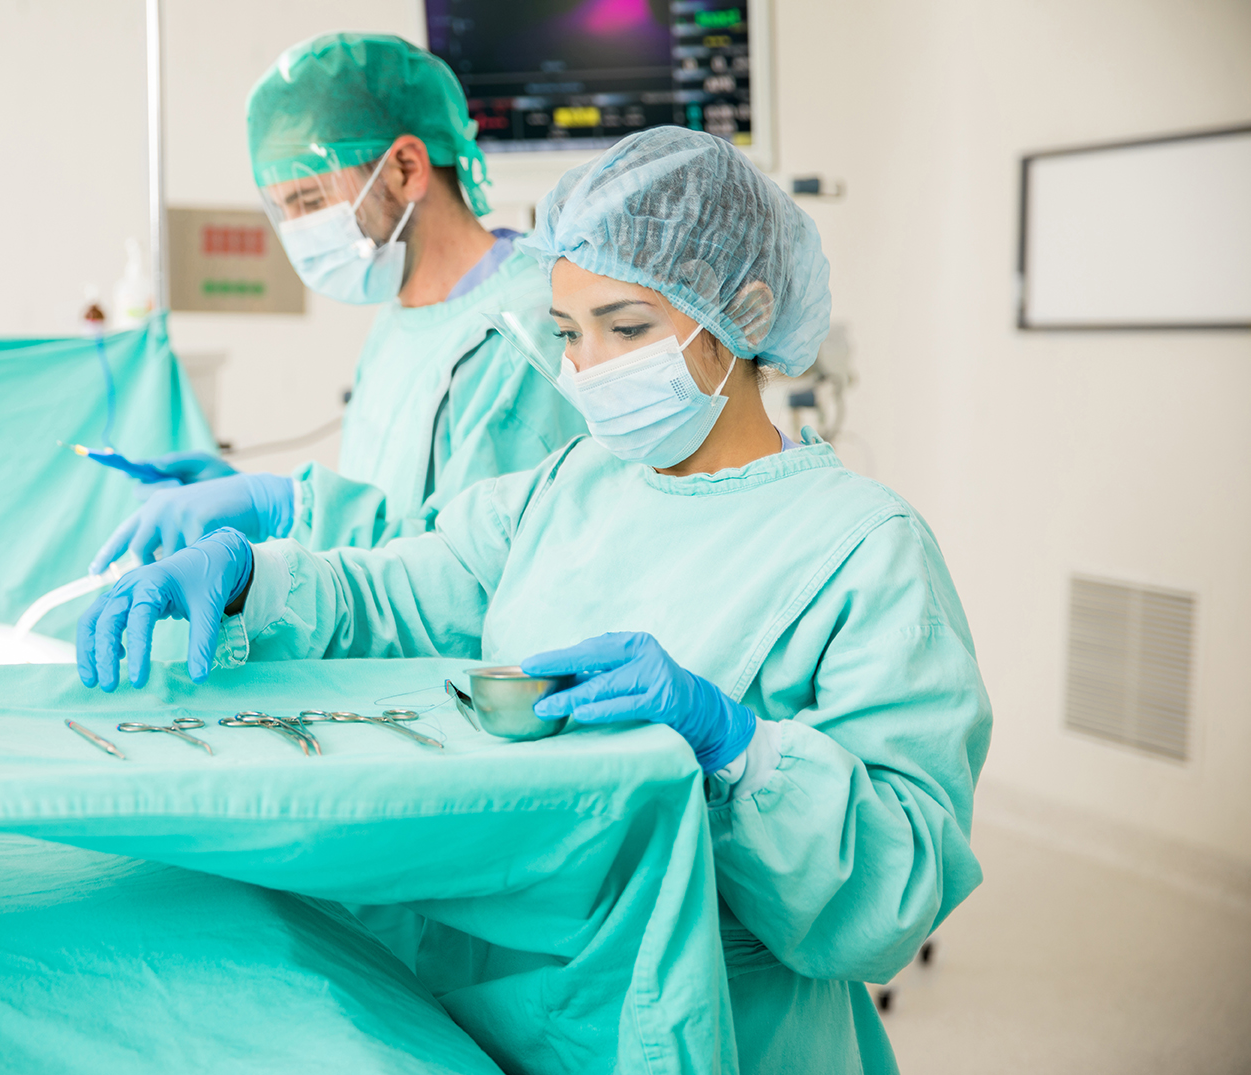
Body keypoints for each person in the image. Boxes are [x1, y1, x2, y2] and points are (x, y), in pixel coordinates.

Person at [75, 126, 991, 1074]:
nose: (589, 367)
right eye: (567, 332)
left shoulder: (864, 548)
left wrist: (737, 748)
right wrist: (249, 576)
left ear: (746, 309)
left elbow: (894, 897)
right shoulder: (571, 483)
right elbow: (404, 591)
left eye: (626, 328)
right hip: (486, 999)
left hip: (721, 1022)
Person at [85, 32, 584, 575]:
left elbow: (468, 576)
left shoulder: (521, 333)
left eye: (310, 201)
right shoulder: (401, 320)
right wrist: (257, 504)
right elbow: (386, 511)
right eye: (284, 210)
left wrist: (287, 507)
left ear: (407, 169)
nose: (298, 232)